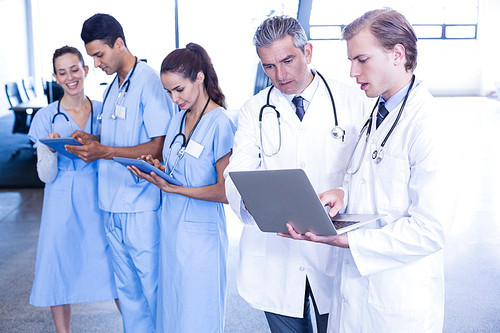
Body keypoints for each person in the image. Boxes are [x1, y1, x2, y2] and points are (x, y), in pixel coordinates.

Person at [283, 8, 453, 332]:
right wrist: (342, 195)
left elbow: (431, 229)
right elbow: (374, 181)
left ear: (397, 54)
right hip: (355, 295)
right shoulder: (379, 111)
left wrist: (349, 242)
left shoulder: (428, 122)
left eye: (361, 60)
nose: (352, 72)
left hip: (397, 300)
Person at [224, 16, 371, 333]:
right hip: (275, 252)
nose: (280, 74)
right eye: (268, 66)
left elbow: (366, 172)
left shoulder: (353, 101)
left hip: (332, 247)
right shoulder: (254, 109)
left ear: (309, 51)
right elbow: (239, 170)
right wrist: (248, 200)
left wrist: (344, 193)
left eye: (287, 60)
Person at [66, 13, 174, 332]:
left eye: (99, 55)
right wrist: (93, 141)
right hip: (111, 204)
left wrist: (105, 151)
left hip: (140, 206)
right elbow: (118, 142)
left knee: (153, 290)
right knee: (127, 294)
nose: (96, 64)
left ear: (119, 43)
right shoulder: (113, 87)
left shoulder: (149, 82)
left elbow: (158, 146)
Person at [128, 42, 236, 333]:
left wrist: (175, 190)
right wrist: (157, 169)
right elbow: (178, 169)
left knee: (198, 316)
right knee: (173, 314)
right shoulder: (178, 119)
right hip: (172, 231)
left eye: (179, 89)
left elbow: (225, 192)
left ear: (199, 78)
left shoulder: (221, 123)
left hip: (202, 239)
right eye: (169, 92)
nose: (174, 98)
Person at [28, 45, 118, 333]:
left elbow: (113, 155)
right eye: (63, 72)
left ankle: (135, 326)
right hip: (61, 202)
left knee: (116, 269)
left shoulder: (104, 112)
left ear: (86, 70)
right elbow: (45, 175)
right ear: (55, 77)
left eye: (75, 69)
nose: (70, 77)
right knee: (59, 269)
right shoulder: (45, 117)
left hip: (98, 198)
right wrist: (51, 150)